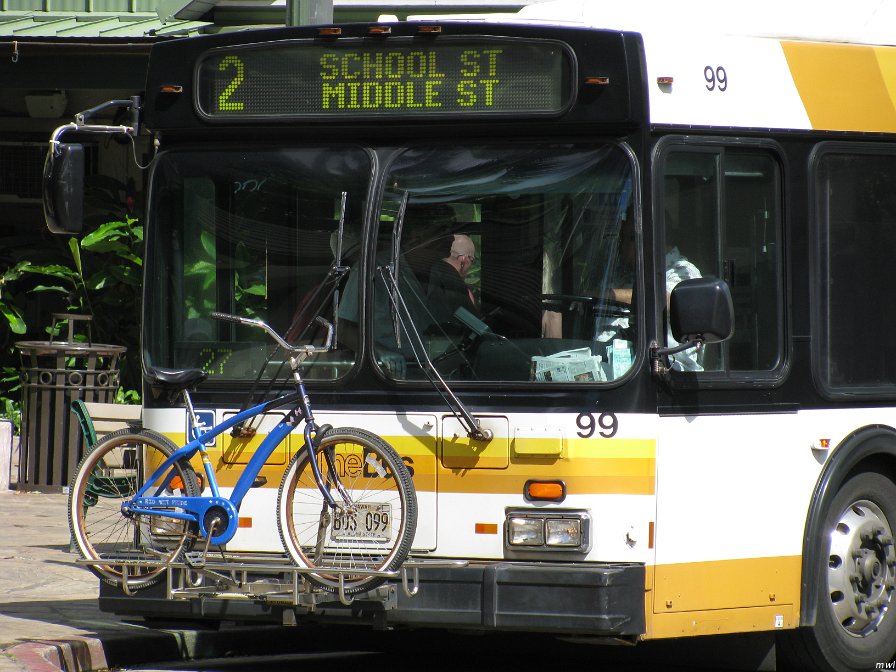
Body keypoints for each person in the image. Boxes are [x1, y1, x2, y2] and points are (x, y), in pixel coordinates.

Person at [426, 234, 478, 331]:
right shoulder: (454, 283)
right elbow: (475, 327)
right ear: (463, 259)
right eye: (472, 260)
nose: (470, 264)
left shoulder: (430, 271)